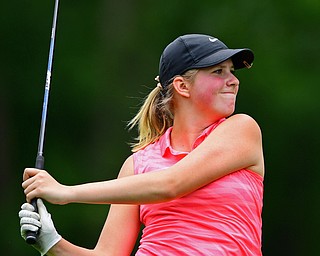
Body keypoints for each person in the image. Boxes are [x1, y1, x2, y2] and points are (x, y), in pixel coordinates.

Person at [19, 34, 264, 255]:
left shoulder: (242, 130)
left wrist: (66, 193)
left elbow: (172, 184)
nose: (233, 80)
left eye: (232, 71)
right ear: (182, 86)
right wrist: (52, 242)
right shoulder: (137, 166)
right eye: (218, 71)